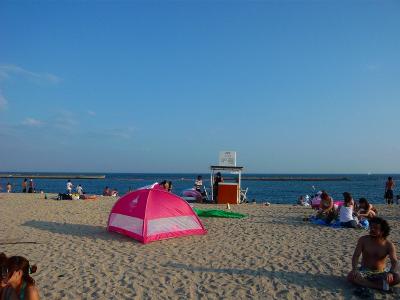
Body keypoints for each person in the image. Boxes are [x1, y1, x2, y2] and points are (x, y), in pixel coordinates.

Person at [347, 217, 400, 291]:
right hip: (364, 271)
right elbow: (356, 256)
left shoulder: (388, 245)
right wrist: (355, 269)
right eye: (371, 227)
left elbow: (394, 261)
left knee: (397, 277)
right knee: (350, 276)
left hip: (381, 272)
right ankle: (379, 286)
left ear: (382, 231)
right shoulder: (363, 240)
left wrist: (391, 272)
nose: (372, 229)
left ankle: (367, 283)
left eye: (375, 228)